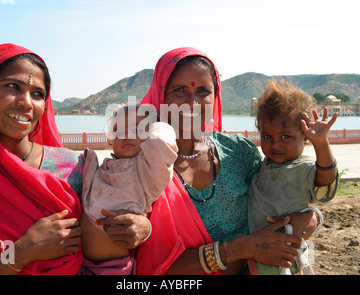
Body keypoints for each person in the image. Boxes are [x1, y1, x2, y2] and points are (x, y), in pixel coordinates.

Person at [0, 43, 149, 275]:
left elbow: (114, 235)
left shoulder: (74, 168)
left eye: (38, 94)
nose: (26, 102)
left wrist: (143, 227)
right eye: (12, 86)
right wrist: (21, 254)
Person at [136, 47, 318, 275]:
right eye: (179, 90)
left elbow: (277, 194)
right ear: (160, 95)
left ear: (216, 96)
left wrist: (312, 216)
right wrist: (236, 250)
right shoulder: (141, 165)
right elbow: (152, 264)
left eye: (203, 91)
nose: (192, 102)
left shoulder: (238, 151)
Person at [248, 79, 338, 275]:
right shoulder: (265, 164)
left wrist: (321, 144)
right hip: (260, 253)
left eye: (286, 136)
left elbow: (325, 181)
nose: (275, 145)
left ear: (305, 136)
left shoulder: (302, 168)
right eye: (267, 137)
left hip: (286, 256)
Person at [80, 104, 177, 262]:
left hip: (114, 269)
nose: (126, 136)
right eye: (119, 131)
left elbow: (162, 144)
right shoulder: (103, 167)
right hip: (78, 264)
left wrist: (158, 124)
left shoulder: (147, 172)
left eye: (137, 130)